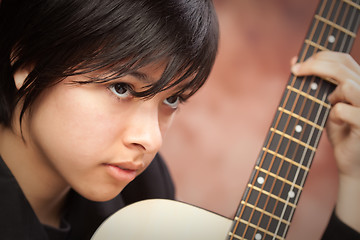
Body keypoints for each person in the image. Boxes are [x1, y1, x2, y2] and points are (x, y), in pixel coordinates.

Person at [0, 0, 358, 240]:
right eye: (121, 87)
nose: (151, 139)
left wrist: (355, 180)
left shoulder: (144, 199)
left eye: (171, 99)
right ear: (26, 61)